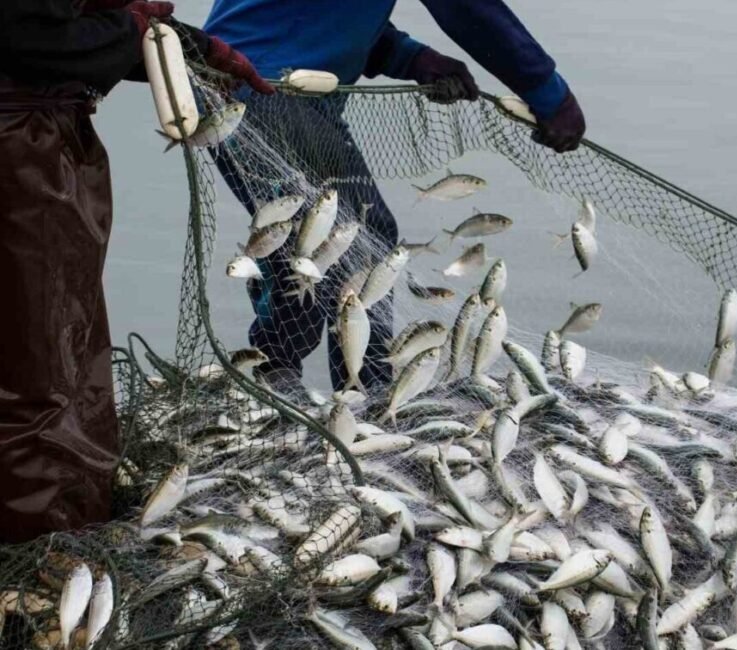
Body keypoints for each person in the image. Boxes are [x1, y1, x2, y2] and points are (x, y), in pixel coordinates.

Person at [204, 0, 587, 398]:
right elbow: (470, 10)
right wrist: (548, 93)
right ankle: (360, 392)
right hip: (266, 91)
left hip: (247, 84)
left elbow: (319, 14)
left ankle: (286, 375)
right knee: (354, 235)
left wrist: (411, 58)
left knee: (315, 234)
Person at [0, 0, 271, 544]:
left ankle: (62, 521)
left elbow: (58, 25)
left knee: (59, 345)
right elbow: (21, 35)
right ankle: (40, 547)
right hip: (18, 151)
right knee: (38, 363)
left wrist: (189, 46)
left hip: (41, 136)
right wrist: (128, 32)